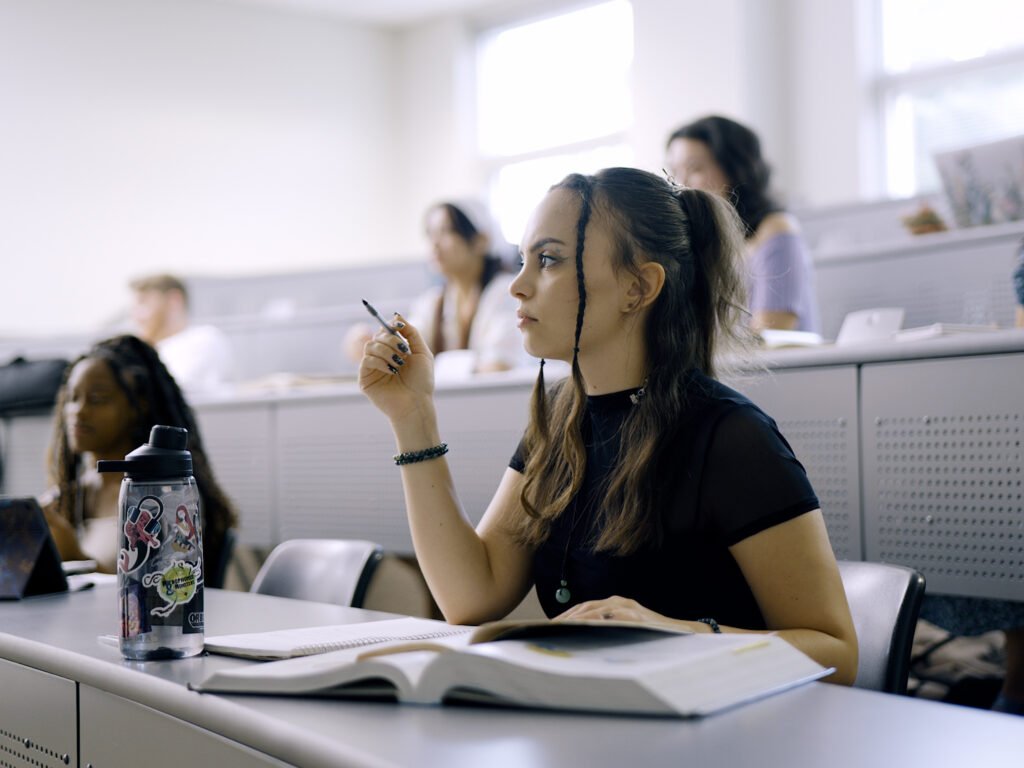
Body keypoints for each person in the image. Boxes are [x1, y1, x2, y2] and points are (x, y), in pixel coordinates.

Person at [358, 167, 858, 683]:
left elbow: (836, 654)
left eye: (548, 260)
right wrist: (413, 416)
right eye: (524, 259)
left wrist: (679, 634)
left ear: (638, 287)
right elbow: (471, 596)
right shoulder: (560, 421)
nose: (517, 285)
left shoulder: (731, 436)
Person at [39, 335, 238, 586]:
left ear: (139, 405)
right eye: (72, 399)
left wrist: (75, 557)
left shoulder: (165, 498)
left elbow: (161, 593)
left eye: (98, 399)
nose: (78, 410)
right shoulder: (66, 499)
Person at [665, 115, 821, 334]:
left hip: (778, 367)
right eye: (673, 171)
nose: (680, 184)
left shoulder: (777, 230)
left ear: (734, 168)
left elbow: (771, 333)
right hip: (730, 366)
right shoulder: (704, 241)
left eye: (695, 169)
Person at [344, 199, 524, 375]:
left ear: (480, 240)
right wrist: (374, 346)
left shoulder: (506, 293)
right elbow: (407, 350)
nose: (435, 243)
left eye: (446, 231)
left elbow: (498, 367)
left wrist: (424, 367)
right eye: (430, 234)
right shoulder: (432, 303)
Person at [130, 273, 234, 393]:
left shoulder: (203, 338)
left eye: (143, 302)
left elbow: (177, 391)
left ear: (174, 300)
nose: (136, 316)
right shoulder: (146, 351)